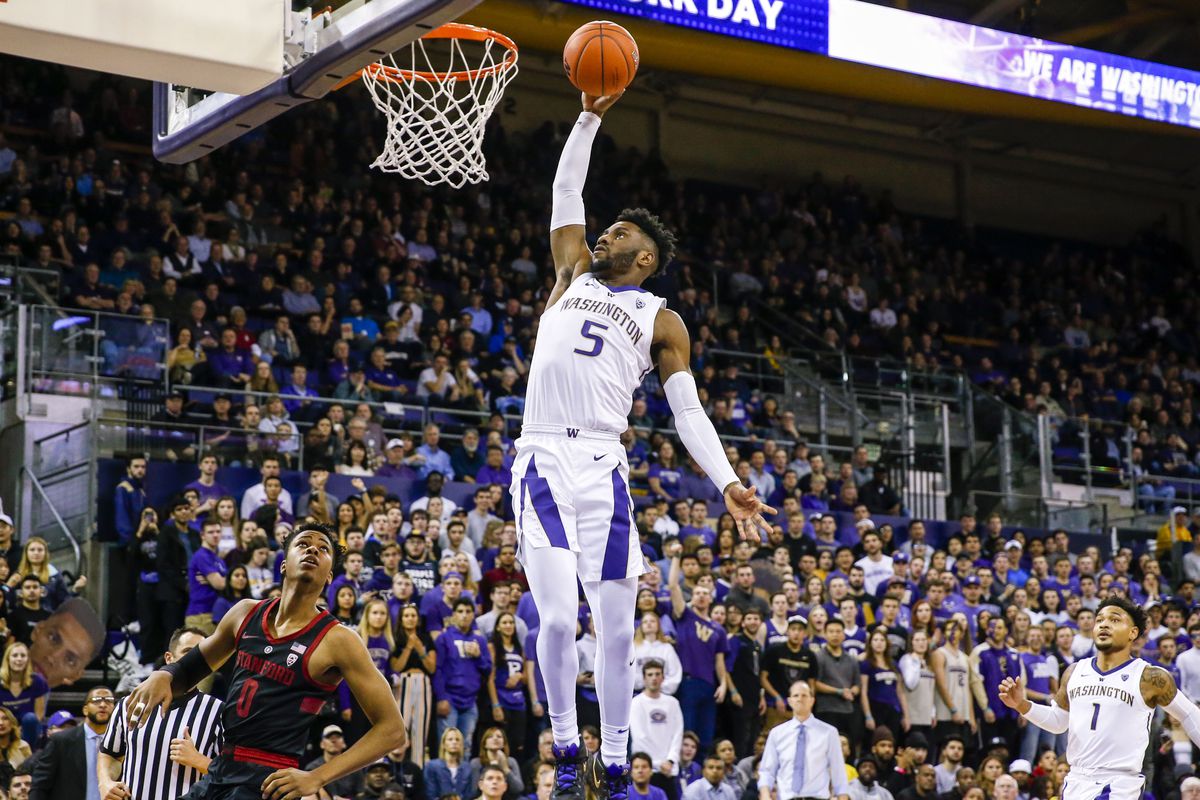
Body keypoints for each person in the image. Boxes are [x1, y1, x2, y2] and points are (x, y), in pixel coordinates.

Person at [516, 89, 775, 800]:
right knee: (561, 618)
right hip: (541, 455)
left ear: (646, 257)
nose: (604, 235)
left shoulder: (664, 320)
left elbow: (687, 411)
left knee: (620, 627)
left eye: (619, 232)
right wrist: (590, 113)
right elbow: (566, 186)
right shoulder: (570, 273)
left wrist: (725, 481)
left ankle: (623, 761)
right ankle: (569, 749)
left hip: (603, 462)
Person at [124, 522, 407, 800]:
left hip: (269, 780)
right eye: (303, 544)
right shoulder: (245, 613)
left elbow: (392, 731)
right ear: (284, 565)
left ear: (330, 575)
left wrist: (317, 776)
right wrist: (164, 674)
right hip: (221, 768)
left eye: (323, 549)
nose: (312, 550)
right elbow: (187, 671)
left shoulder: (338, 639)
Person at [999, 596, 1200, 800]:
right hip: (1076, 779)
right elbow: (1059, 722)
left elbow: (1190, 714)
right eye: (1100, 619)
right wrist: (1021, 704)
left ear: (1133, 632)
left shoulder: (1150, 677)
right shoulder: (1074, 672)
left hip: (1118, 783)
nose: (1104, 624)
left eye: (1114, 619)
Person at [98, 627, 223, 800]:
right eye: (188, 652)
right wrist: (105, 782)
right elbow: (110, 753)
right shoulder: (129, 704)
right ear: (169, 658)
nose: (195, 661)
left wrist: (199, 761)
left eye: (201, 656)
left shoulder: (218, 710)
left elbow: (232, 775)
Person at [757, 681, 850, 800]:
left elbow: (839, 773)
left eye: (804, 695)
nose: (800, 699)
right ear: (790, 701)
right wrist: (765, 796)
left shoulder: (829, 732)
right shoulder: (777, 733)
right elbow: (766, 771)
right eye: (796, 695)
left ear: (812, 700)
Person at [30, 685, 115, 800]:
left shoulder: (123, 744)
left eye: (109, 701)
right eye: (96, 700)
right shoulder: (61, 741)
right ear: (85, 709)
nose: (103, 705)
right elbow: (40, 784)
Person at [433, 598, 492, 747]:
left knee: (466, 747)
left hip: (471, 701)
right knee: (447, 745)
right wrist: (441, 697)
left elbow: (487, 670)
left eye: (468, 611)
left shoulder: (480, 640)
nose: (464, 615)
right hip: (449, 699)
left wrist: (478, 656)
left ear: (474, 615)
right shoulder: (443, 638)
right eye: (460, 611)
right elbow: (437, 669)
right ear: (453, 615)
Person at [629, 660, 683, 800]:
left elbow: (678, 734)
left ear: (663, 677)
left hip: (668, 770)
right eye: (650, 674)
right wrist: (657, 764)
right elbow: (639, 737)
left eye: (657, 674)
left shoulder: (673, 703)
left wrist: (671, 760)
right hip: (647, 770)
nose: (654, 678)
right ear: (644, 678)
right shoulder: (636, 703)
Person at [304, 725, 361, 800]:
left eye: (337, 737)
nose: (334, 741)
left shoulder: (355, 766)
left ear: (344, 743)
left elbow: (362, 793)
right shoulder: (312, 768)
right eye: (329, 737)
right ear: (322, 744)